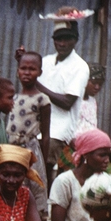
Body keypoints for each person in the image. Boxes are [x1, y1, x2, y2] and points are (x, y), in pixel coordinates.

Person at [30, 19, 89, 176]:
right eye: (58, 39)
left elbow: (67, 102)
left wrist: (36, 84)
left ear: (75, 40)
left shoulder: (80, 66)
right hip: (37, 122)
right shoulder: (46, 61)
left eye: (67, 39)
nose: (62, 44)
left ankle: (45, 199)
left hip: (59, 127)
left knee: (45, 165)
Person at [50, 128, 111, 221]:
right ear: (86, 156)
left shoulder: (107, 182)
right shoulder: (64, 181)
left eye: (108, 155)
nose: (107, 160)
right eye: (102, 155)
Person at [7, 51, 51, 215]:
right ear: (17, 70)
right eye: (23, 68)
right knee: (13, 180)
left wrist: (44, 161)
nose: (27, 72)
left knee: (36, 181)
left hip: (30, 147)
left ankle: (38, 216)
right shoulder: (13, 97)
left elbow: (46, 134)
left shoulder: (42, 99)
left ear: (40, 72)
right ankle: (14, 214)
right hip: (11, 146)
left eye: (32, 69)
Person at [75, 64, 104, 135]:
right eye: (94, 83)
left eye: (100, 84)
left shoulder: (92, 101)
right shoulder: (74, 100)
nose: (97, 87)